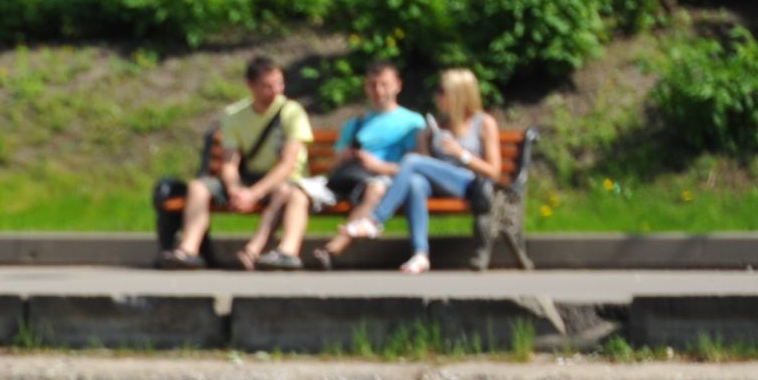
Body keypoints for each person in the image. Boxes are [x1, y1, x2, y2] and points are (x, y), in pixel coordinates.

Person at [339, 67, 505, 275]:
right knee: (415, 183)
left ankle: (375, 220)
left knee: (411, 161)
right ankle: (420, 254)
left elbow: (494, 172)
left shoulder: (483, 123)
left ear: (459, 94)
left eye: (442, 91)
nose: (437, 97)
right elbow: (424, 165)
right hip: (437, 183)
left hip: (468, 184)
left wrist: (461, 153)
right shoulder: (440, 123)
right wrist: (423, 140)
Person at [158, 54, 313, 272]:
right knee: (198, 187)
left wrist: (254, 193)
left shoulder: (292, 112)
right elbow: (230, 162)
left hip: (281, 179)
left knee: (287, 192)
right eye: (267, 86)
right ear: (250, 85)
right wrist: (234, 189)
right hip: (248, 177)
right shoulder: (234, 115)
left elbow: (288, 164)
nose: (276, 91)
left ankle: (264, 251)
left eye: (279, 84)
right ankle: (188, 249)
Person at [312, 61, 428, 269]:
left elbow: (418, 165)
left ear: (397, 85)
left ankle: (333, 247)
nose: (378, 90)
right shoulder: (356, 123)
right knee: (294, 191)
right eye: (373, 85)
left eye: (384, 84)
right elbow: (335, 164)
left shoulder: (412, 122)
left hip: (385, 181)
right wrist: (346, 156)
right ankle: (285, 251)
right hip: (349, 178)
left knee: (375, 188)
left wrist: (378, 165)